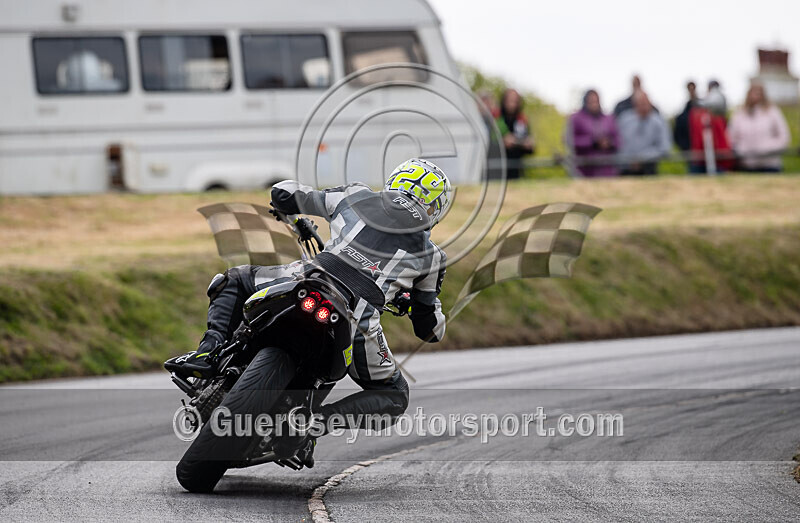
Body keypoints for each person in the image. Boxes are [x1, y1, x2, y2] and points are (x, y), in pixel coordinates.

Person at [166, 158, 451, 465]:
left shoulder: (355, 195)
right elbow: (430, 329)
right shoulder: (432, 257)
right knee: (395, 395)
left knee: (232, 280)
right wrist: (412, 305)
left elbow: (284, 192)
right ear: (435, 209)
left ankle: (207, 355)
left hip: (305, 278)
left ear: (396, 180)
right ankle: (314, 422)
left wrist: (287, 210)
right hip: (358, 317)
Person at [727, 83, 791, 172]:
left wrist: (769, 148)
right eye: (753, 93)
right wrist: (741, 149)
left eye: (759, 93)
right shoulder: (739, 113)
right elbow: (731, 136)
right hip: (746, 164)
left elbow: (784, 135)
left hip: (769, 164)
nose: (756, 96)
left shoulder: (772, 112)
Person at [616, 91, 672, 175]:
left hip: (649, 168)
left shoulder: (659, 122)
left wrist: (642, 158)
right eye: (640, 103)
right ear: (634, 104)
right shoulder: (624, 120)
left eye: (645, 103)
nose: (643, 106)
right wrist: (629, 160)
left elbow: (664, 147)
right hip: (626, 169)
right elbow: (618, 142)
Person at [567, 89, 620, 177]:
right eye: (591, 101)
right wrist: (592, 142)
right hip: (584, 171)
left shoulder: (609, 119)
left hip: (607, 171)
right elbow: (570, 141)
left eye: (596, 101)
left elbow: (618, 140)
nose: (594, 104)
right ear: (585, 101)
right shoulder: (576, 119)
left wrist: (609, 143)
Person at [497, 88, 534, 179]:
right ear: (504, 101)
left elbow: (529, 149)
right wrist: (502, 142)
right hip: (497, 169)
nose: (512, 103)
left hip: (516, 170)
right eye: (510, 100)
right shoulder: (496, 119)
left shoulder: (522, 120)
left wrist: (528, 144)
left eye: (515, 100)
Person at [673, 81, 699, 152]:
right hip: (690, 150)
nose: (691, 91)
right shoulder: (683, 116)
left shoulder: (703, 109)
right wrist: (685, 147)